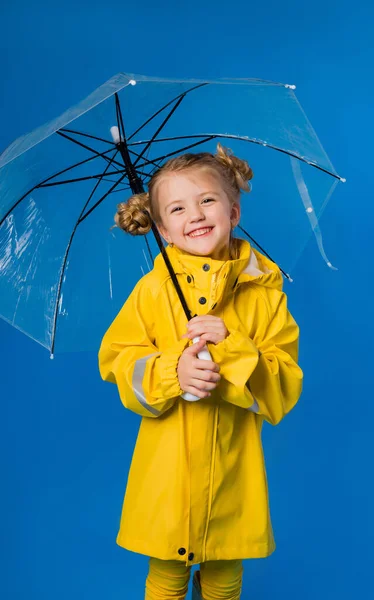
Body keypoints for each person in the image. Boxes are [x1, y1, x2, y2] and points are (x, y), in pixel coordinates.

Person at [98, 144, 303, 600]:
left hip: (234, 472)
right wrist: (175, 369)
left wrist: (230, 350)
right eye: (177, 208)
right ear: (164, 231)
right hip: (168, 475)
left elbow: (283, 384)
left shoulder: (266, 297)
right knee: (167, 578)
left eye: (207, 200)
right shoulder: (152, 292)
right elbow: (118, 359)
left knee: (224, 579)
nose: (195, 213)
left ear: (233, 211)